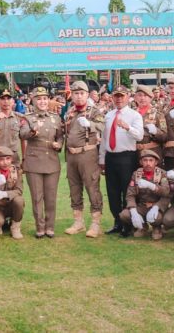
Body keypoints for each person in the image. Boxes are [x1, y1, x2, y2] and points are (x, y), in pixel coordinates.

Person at [20, 87, 64, 238]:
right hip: (34, 162)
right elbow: (22, 134)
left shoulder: (56, 118)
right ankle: (40, 227)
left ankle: (50, 227)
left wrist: (59, 144)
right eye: (39, 99)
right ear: (33, 101)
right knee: (37, 197)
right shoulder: (28, 117)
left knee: (50, 197)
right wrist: (32, 132)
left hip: (52, 162)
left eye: (45, 98)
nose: (42, 101)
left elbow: (60, 136)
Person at [99, 85, 144, 235]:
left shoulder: (134, 115)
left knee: (127, 191)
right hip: (111, 157)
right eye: (116, 96)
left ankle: (127, 224)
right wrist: (102, 159)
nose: (119, 99)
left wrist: (127, 127)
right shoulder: (109, 115)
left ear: (128, 97)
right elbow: (105, 139)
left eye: (122, 96)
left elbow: (139, 136)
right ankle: (117, 221)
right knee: (112, 192)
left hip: (127, 157)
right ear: (112, 98)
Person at [63, 80, 105, 238]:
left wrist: (90, 125)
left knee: (92, 187)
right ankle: (78, 222)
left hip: (87, 154)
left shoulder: (94, 111)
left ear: (87, 95)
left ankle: (95, 223)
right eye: (76, 93)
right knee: (74, 188)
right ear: (72, 96)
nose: (79, 96)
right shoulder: (70, 112)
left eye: (82, 93)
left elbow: (102, 126)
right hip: (71, 155)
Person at [118, 150, 170, 240]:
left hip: (156, 205)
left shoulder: (162, 173)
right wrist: (133, 211)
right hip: (142, 206)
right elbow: (130, 194)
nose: (148, 163)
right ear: (141, 162)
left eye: (151, 160)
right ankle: (142, 226)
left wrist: (153, 187)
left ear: (156, 162)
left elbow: (166, 192)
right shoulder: (136, 174)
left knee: (156, 218)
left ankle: (156, 228)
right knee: (124, 215)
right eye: (145, 160)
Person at [0, 147, 25, 239]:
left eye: (8, 159)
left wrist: (5, 194)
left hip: (11, 204)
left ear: (11, 159)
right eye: (1, 159)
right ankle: (1, 223)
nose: (5, 162)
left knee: (19, 200)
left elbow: (19, 190)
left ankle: (15, 227)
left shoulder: (16, 171)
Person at [132, 85, 167, 162]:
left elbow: (164, 136)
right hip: (135, 154)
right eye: (140, 95)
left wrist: (156, 131)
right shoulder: (131, 113)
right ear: (135, 97)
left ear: (151, 98)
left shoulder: (158, 114)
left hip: (153, 153)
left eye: (145, 96)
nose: (142, 98)